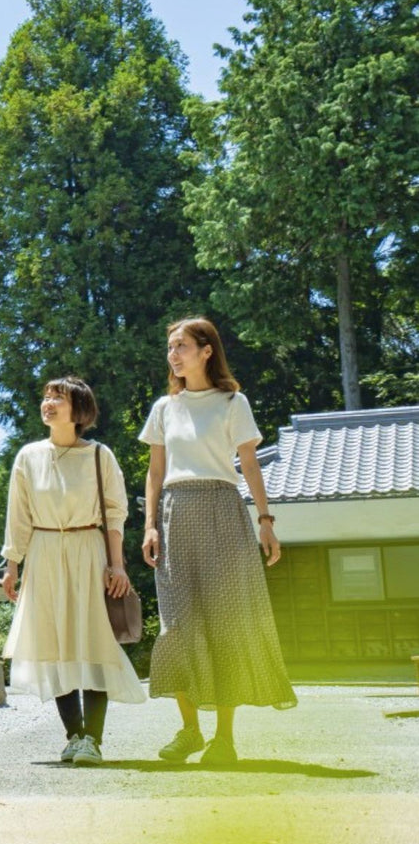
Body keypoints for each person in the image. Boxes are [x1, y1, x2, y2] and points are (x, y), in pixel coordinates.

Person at [140, 317, 296, 765]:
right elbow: (155, 473)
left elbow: (249, 464)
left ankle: (223, 738)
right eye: (170, 346)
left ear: (206, 350)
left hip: (224, 512)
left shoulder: (233, 401)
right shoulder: (163, 409)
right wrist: (150, 524)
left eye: (181, 345)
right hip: (174, 514)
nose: (173, 354)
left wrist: (265, 520)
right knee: (176, 627)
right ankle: (189, 730)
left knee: (225, 623)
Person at [2, 376, 145, 766]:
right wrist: (12, 563)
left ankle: (93, 741)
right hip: (45, 553)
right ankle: (73, 736)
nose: (48, 403)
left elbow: (115, 514)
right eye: (46, 397)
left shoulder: (100, 455)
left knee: (94, 644)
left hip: (89, 551)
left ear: (78, 409)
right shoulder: (28, 456)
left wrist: (117, 565)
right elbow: (19, 515)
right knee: (56, 645)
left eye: (58, 398)